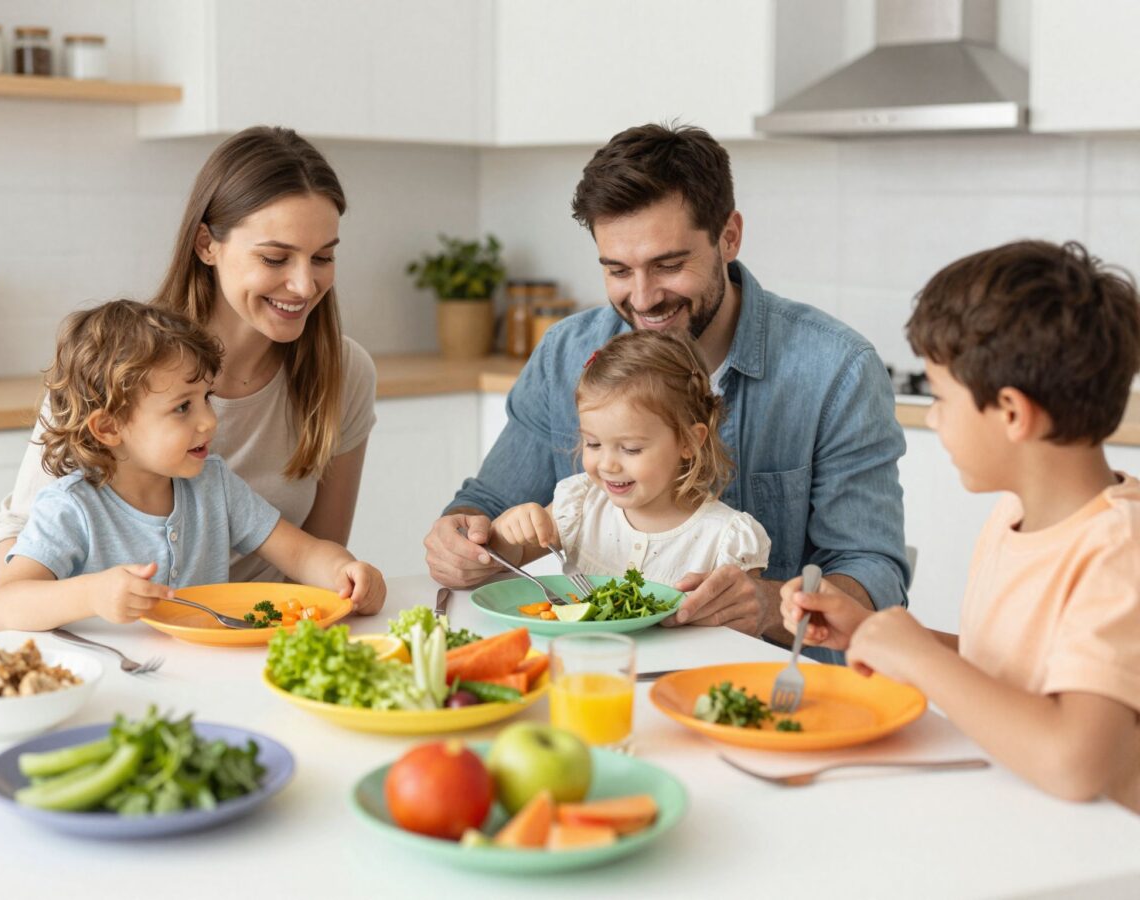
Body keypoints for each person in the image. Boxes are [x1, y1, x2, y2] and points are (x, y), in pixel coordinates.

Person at [425, 123, 908, 659]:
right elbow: (490, 505)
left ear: (729, 236)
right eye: (618, 270)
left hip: (761, 683)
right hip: (594, 672)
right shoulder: (566, 352)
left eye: (669, 265)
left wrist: (768, 605)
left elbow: (874, 575)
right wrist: (463, 540)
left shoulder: (835, 370)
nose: (643, 298)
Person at [780, 240, 1140, 810]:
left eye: (941, 397)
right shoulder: (1016, 517)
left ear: (1012, 413)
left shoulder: (1119, 551)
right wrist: (879, 632)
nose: (933, 417)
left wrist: (920, 659)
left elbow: (1074, 762)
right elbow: (1005, 674)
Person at [0, 126, 378, 591]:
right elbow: (16, 556)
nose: (304, 285)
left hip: (262, 629)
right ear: (206, 244)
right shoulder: (120, 366)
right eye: (275, 259)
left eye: (322, 258)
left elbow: (319, 566)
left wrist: (349, 582)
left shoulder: (344, 372)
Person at [0, 300, 385, 631]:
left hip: (201, 673)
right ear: (108, 427)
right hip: (110, 680)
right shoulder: (71, 507)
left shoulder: (214, 484)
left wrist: (345, 572)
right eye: (182, 407)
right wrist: (92, 595)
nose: (209, 420)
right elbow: (2, 606)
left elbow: (300, 554)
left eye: (206, 398)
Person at [490, 329, 771, 590]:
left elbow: (744, 617)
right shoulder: (580, 504)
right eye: (593, 444)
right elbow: (505, 558)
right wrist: (507, 532)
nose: (607, 465)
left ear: (689, 441)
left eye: (631, 449)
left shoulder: (727, 539)